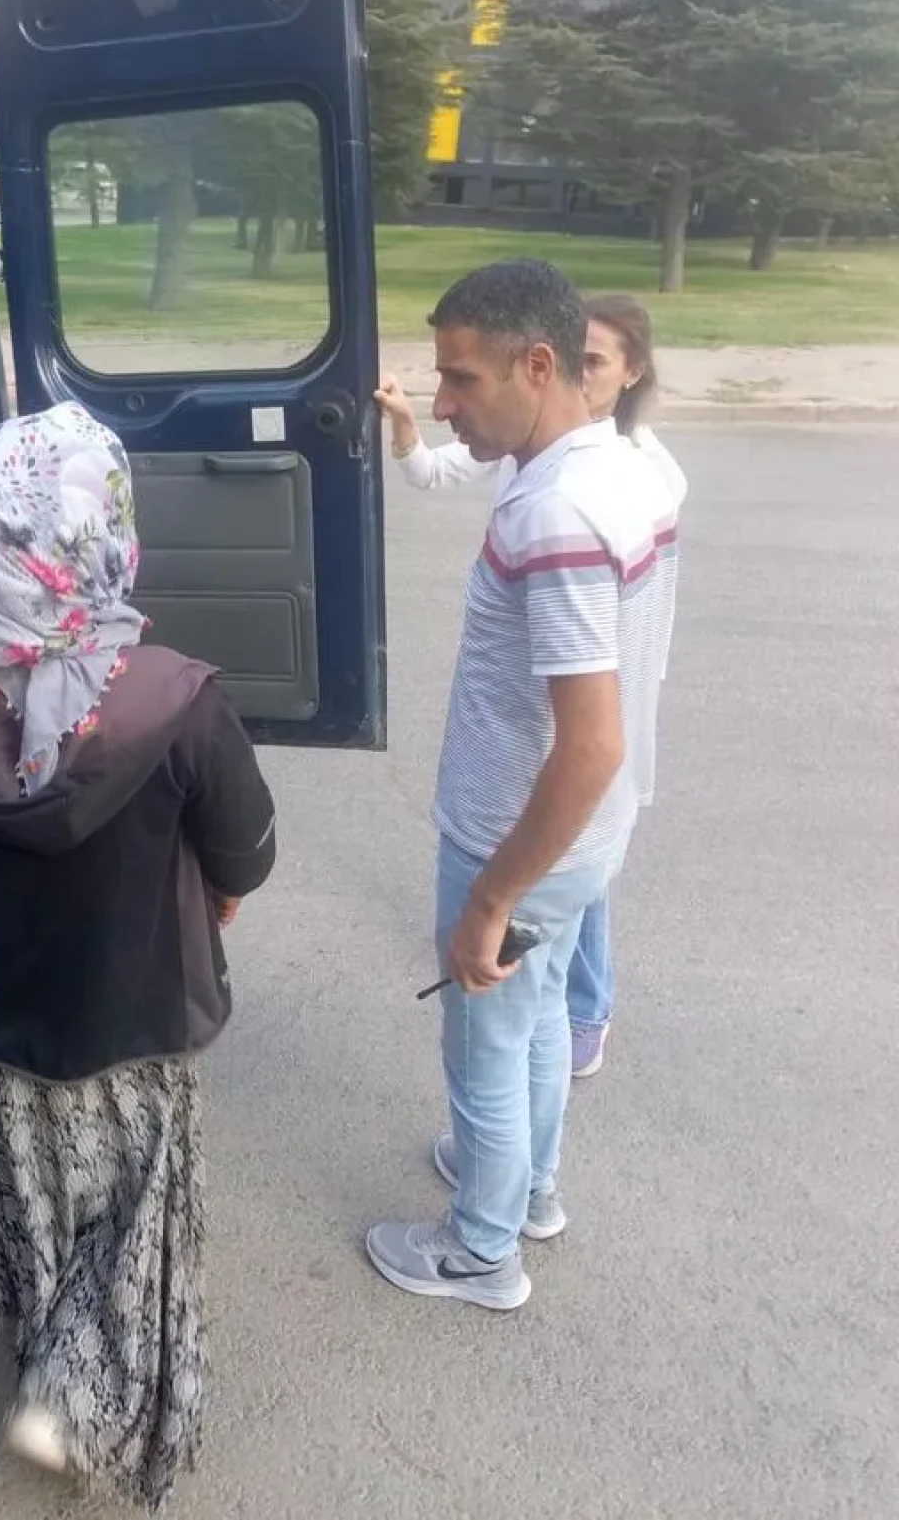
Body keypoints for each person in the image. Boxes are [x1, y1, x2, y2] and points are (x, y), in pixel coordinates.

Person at [0, 404, 277, 1508]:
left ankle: (38, 1323)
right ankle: (71, 1395)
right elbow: (246, 848)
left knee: (16, 1178)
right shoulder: (174, 697)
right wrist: (222, 885)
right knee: (135, 1197)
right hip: (128, 1008)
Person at [366, 261, 680, 1312]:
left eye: (461, 378)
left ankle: (479, 1252)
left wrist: (492, 895)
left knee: (486, 1048)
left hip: (518, 835)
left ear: (538, 366)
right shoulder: (623, 470)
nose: (443, 403)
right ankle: (529, 1189)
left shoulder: (557, 513)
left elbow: (587, 743)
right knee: (537, 1017)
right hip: (584, 837)